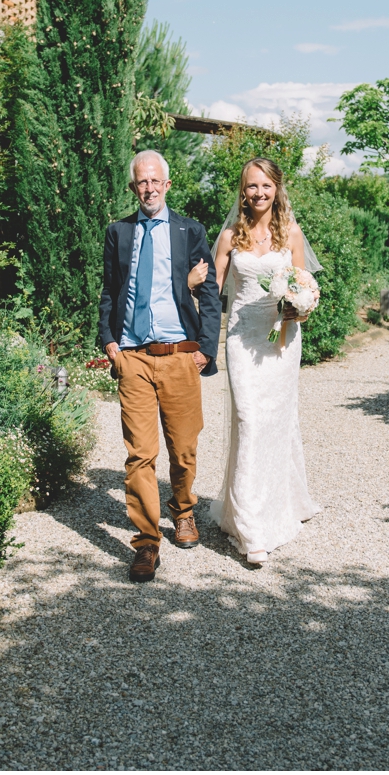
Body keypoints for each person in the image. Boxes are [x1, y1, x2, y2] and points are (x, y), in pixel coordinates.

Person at [98, 150, 221, 583]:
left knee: (183, 448)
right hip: (132, 357)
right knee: (140, 454)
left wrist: (205, 349)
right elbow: (110, 291)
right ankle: (147, 541)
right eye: (140, 183)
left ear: (167, 185)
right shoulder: (119, 232)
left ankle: (183, 510)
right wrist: (110, 342)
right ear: (133, 188)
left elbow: (210, 295)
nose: (148, 188)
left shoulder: (189, 231)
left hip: (179, 356)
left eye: (155, 181)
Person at [207, 157, 322, 565]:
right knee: (249, 422)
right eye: (251, 186)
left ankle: (283, 502)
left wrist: (299, 309)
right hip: (240, 338)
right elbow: (209, 292)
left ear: (277, 189)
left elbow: (306, 289)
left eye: (266, 186)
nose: (258, 193)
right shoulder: (228, 237)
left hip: (281, 342)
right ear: (243, 190)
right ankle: (252, 527)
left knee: (277, 422)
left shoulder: (290, 234)